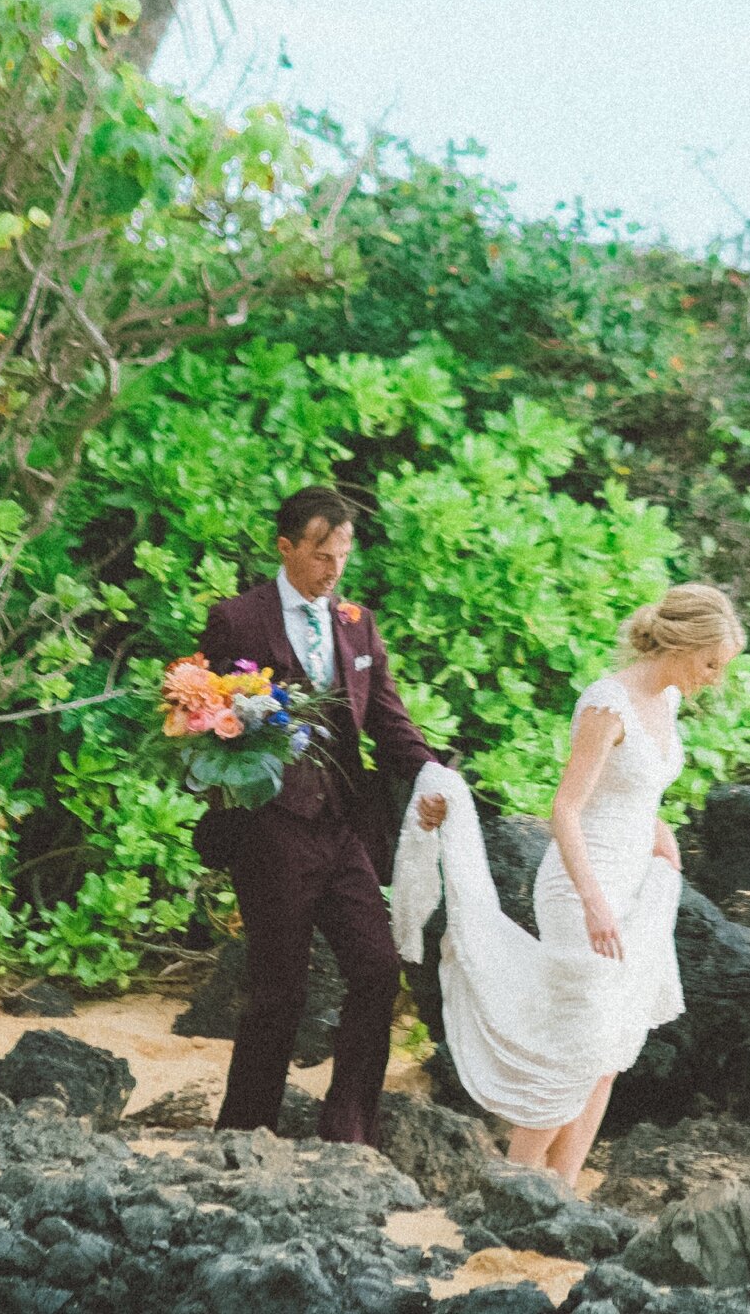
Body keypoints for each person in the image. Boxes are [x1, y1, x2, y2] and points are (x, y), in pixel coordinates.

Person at [394, 583, 744, 1183]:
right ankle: (516, 1183)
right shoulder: (609, 704)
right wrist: (594, 902)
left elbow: (632, 785)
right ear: (684, 643)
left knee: (607, 1053)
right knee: (574, 1047)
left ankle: (560, 1192)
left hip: (633, 882)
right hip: (583, 887)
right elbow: (566, 809)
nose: (714, 678)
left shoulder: (665, 702)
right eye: (711, 663)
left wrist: (658, 826)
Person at [196, 484, 444, 1144]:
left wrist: (430, 771)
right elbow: (207, 717)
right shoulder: (238, 618)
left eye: (343, 556)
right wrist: (241, 726)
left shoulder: (357, 625)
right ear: (286, 548)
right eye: (321, 556)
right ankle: (245, 1130)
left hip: (342, 824)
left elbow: (387, 717)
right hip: (271, 826)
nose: (334, 571)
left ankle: (348, 1127)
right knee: (279, 989)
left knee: (376, 968)